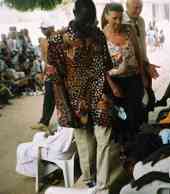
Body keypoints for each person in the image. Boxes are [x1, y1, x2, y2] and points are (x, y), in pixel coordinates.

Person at [44, 0, 119, 194]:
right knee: (98, 143)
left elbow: (55, 77)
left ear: (74, 11)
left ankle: (94, 182)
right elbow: (106, 67)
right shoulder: (96, 36)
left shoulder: (58, 40)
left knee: (92, 142)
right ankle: (97, 184)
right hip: (92, 97)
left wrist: (63, 107)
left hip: (84, 99)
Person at [101, 2, 148, 142]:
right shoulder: (102, 36)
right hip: (116, 82)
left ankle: (135, 145)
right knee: (120, 116)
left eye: (120, 18)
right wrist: (112, 86)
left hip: (134, 79)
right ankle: (123, 147)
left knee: (135, 113)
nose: (118, 21)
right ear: (106, 16)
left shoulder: (129, 30)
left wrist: (143, 75)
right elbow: (101, 65)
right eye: (114, 18)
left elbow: (138, 54)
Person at [123, 0, 160, 120]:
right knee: (136, 103)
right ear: (126, 6)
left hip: (144, 64)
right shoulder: (122, 22)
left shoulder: (141, 21)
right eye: (135, 8)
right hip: (131, 70)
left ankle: (144, 126)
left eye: (140, 8)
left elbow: (142, 45)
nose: (138, 11)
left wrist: (147, 64)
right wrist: (143, 69)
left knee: (148, 100)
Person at [30, 21, 56, 132]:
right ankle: (44, 122)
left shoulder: (58, 39)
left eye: (44, 29)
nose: (42, 31)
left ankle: (46, 122)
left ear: (51, 27)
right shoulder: (45, 41)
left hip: (59, 75)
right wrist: (44, 73)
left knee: (59, 100)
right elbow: (46, 61)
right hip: (50, 74)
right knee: (48, 99)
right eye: (42, 29)